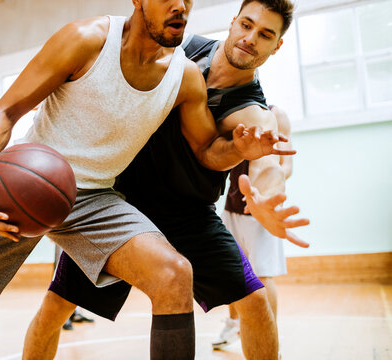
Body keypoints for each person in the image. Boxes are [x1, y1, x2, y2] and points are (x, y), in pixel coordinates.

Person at [0, 1, 289, 359]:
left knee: (174, 274)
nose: (180, 6)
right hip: (22, 186)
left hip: (99, 199)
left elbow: (206, 150)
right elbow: (6, 111)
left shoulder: (185, 77)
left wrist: (240, 152)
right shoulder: (86, 40)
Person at [23, 1, 308, 359]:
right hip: (120, 204)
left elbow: (266, 166)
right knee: (55, 308)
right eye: (247, 25)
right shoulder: (179, 48)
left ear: (277, 45)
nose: (250, 39)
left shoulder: (253, 110)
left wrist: (267, 201)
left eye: (265, 34)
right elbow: (109, 74)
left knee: (254, 301)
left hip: (190, 215)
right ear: (233, 22)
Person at [212, 105, 293, 350]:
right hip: (232, 205)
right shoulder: (236, 114)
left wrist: (265, 187)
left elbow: (287, 165)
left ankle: (270, 337)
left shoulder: (277, 115)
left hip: (261, 209)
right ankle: (234, 324)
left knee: (262, 274)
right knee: (234, 270)